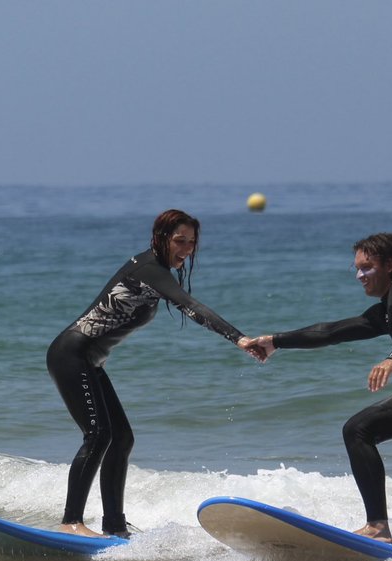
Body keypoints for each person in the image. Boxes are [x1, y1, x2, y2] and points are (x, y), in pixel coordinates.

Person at [240, 233, 392, 547]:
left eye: (367, 267)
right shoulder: (387, 311)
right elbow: (331, 332)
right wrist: (276, 341)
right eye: (357, 269)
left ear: (390, 265)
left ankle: (377, 527)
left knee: (358, 430)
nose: (359, 276)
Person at [47, 209, 263, 538]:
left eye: (191, 243)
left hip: (88, 360)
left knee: (121, 438)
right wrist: (239, 337)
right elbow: (190, 305)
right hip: (71, 354)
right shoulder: (150, 269)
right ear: (161, 237)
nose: (186, 249)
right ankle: (71, 522)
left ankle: (115, 526)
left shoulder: (157, 270)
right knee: (99, 435)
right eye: (180, 241)